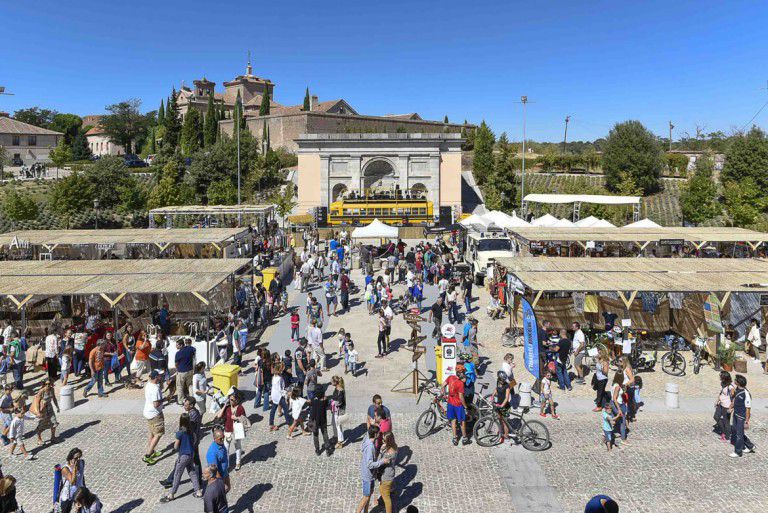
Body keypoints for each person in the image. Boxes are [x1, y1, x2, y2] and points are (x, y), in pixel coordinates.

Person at [161, 413, 203, 502]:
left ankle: (171, 494)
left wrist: (177, 449)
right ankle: (198, 491)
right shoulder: (191, 431)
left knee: (177, 475)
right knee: (192, 473)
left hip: (183, 456)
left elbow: (176, 446)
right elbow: (195, 440)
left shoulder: (180, 433)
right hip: (191, 454)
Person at [217, 392, 249, 471]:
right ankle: (226, 465)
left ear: (237, 400)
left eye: (232, 399)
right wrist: (224, 405)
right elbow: (219, 416)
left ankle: (238, 463)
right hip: (227, 431)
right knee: (226, 448)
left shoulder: (240, 408)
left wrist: (236, 418)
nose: (230, 401)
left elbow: (244, 419)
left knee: (237, 447)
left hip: (236, 431)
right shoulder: (227, 407)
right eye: (229, 399)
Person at [355, 425, 381, 513]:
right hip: (367, 476)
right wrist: (381, 462)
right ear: (375, 434)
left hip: (370, 475)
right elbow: (370, 464)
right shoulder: (370, 447)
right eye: (378, 433)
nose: (379, 434)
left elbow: (368, 432)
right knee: (366, 496)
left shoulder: (367, 438)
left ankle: (365, 511)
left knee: (369, 493)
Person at [143, 370, 165, 465]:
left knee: (152, 432)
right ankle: (148, 455)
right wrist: (165, 399)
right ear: (156, 377)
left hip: (148, 412)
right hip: (155, 414)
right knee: (158, 434)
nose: (162, 376)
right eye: (160, 376)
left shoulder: (148, 384)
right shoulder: (155, 389)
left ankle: (151, 451)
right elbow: (156, 404)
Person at [373, 431, 398, 513]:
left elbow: (381, 461)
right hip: (388, 474)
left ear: (388, 441)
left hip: (386, 476)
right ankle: (381, 501)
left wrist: (381, 450)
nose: (382, 441)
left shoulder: (389, 453)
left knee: (386, 497)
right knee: (382, 489)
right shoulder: (394, 446)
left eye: (384, 440)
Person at [729, 374, 754, 457]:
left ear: (738, 382)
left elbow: (748, 409)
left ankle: (738, 452)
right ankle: (750, 446)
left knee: (739, 435)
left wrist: (746, 421)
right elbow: (735, 399)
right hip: (736, 414)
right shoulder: (737, 389)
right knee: (737, 431)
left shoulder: (746, 393)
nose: (734, 380)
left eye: (735, 379)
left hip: (741, 417)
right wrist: (731, 408)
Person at [445, 368, 470, 445]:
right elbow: (461, 397)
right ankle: (465, 438)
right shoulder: (460, 383)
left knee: (453, 420)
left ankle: (455, 438)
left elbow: (443, 385)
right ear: (461, 373)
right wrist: (465, 406)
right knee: (462, 421)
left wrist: (443, 392)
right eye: (463, 373)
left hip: (450, 403)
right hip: (458, 405)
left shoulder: (451, 377)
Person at [59, 447, 85, 513]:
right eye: (76, 458)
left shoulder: (82, 462)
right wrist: (74, 469)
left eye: (79, 457)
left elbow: (82, 476)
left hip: (78, 492)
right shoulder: (65, 469)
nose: (78, 460)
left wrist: (84, 487)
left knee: (80, 510)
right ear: (70, 458)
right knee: (65, 511)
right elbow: (72, 481)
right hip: (68, 494)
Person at [34, 380, 59, 445]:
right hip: (43, 410)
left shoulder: (51, 389)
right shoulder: (41, 391)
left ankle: (53, 437)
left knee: (54, 422)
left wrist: (57, 407)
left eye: (49, 383)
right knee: (42, 425)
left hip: (50, 408)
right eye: (46, 384)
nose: (48, 385)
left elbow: (54, 398)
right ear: (44, 384)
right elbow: (37, 402)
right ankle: (39, 439)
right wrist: (38, 412)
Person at [269, 362, 292, 432]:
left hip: (274, 396)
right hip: (279, 396)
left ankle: (271, 424)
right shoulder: (280, 378)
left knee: (273, 410)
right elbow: (281, 389)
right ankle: (290, 425)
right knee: (286, 409)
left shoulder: (274, 377)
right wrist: (287, 393)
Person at [309, 387, 331, 456]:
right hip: (323, 420)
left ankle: (318, 450)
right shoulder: (325, 400)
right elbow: (327, 405)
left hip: (314, 420)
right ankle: (327, 449)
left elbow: (311, 403)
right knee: (325, 433)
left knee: (315, 435)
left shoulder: (313, 399)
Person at [174, 338, 196, 405]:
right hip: (190, 370)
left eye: (177, 345)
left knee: (180, 386)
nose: (176, 346)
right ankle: (192, 398)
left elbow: (176, 364)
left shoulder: (178, 353)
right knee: (190, 385)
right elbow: (194, 351)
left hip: (182, 372)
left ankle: (180, 401)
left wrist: (177, 369)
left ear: (181, 345)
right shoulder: (190, 349)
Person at [715, 371, 734, 442]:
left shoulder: (731, 387)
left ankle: (727, 436)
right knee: (716, 417)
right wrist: (717, 400)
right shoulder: (723, 384)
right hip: (721, 404)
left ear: (724, 378)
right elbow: (721, 392)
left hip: (726, 406)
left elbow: (734, 398)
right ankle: (724, 431)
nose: (719, 377)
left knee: (726, 421)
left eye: (721, 376)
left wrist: (731, 407)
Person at [331, 376, 349, 449]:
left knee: (338, 426)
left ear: (336, 382)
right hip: (335, 410)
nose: (331, 382)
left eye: (332, 381)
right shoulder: (337, 389)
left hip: (339, 411)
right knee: (335, 424)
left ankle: (340, 442)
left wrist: (332, 402)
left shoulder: (340, 391)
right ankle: (337, 437)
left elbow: (339, 402)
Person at [610, 371, 627, 445]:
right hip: (618, 404)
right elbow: (614, 398)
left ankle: (608, 433)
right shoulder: (617, 387)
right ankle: (623, 439)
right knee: (622, 422)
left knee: (614, 419)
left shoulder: (614, 384)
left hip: (615, 404)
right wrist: (619, 409)